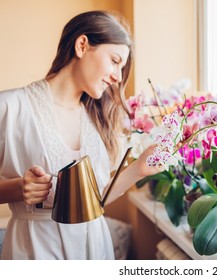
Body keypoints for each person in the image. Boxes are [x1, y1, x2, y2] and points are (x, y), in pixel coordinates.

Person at [0, 10, 159, 259]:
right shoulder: (9, 107)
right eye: (115, 60)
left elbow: (96, 200)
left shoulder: (97, 119)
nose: (118, 77)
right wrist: (17, 188)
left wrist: (139, 168)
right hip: (34, 250)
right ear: (82, 45)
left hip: (95, 248)